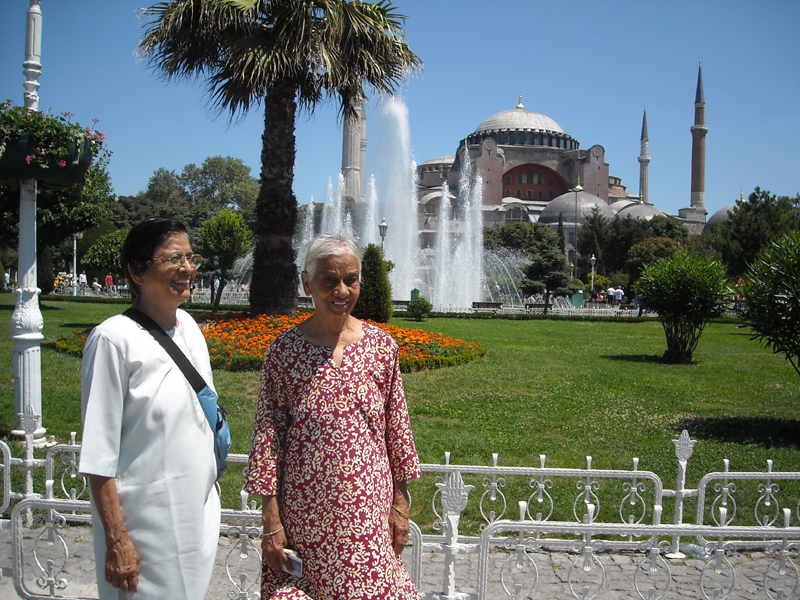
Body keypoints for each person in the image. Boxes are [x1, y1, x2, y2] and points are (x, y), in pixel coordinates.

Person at [245, 233, 422, 600]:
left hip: (366, 515)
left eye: (351, 280)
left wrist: (400, 506)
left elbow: (398, 431)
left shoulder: (381, 347)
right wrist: (271, 520)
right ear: (306, 282)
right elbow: (267, 437)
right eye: (329, 280)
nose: (342, 291)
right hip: (303, 519)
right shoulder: (284, 352)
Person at [78, 218, 219, 599]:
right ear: (137, 271)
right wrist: (117, 540)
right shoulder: (113, 340)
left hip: (197, 519)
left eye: (191, 257)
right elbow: (98, 456)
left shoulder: (189, 327)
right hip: (143, 530)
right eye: (174, 259)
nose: (187, 268)